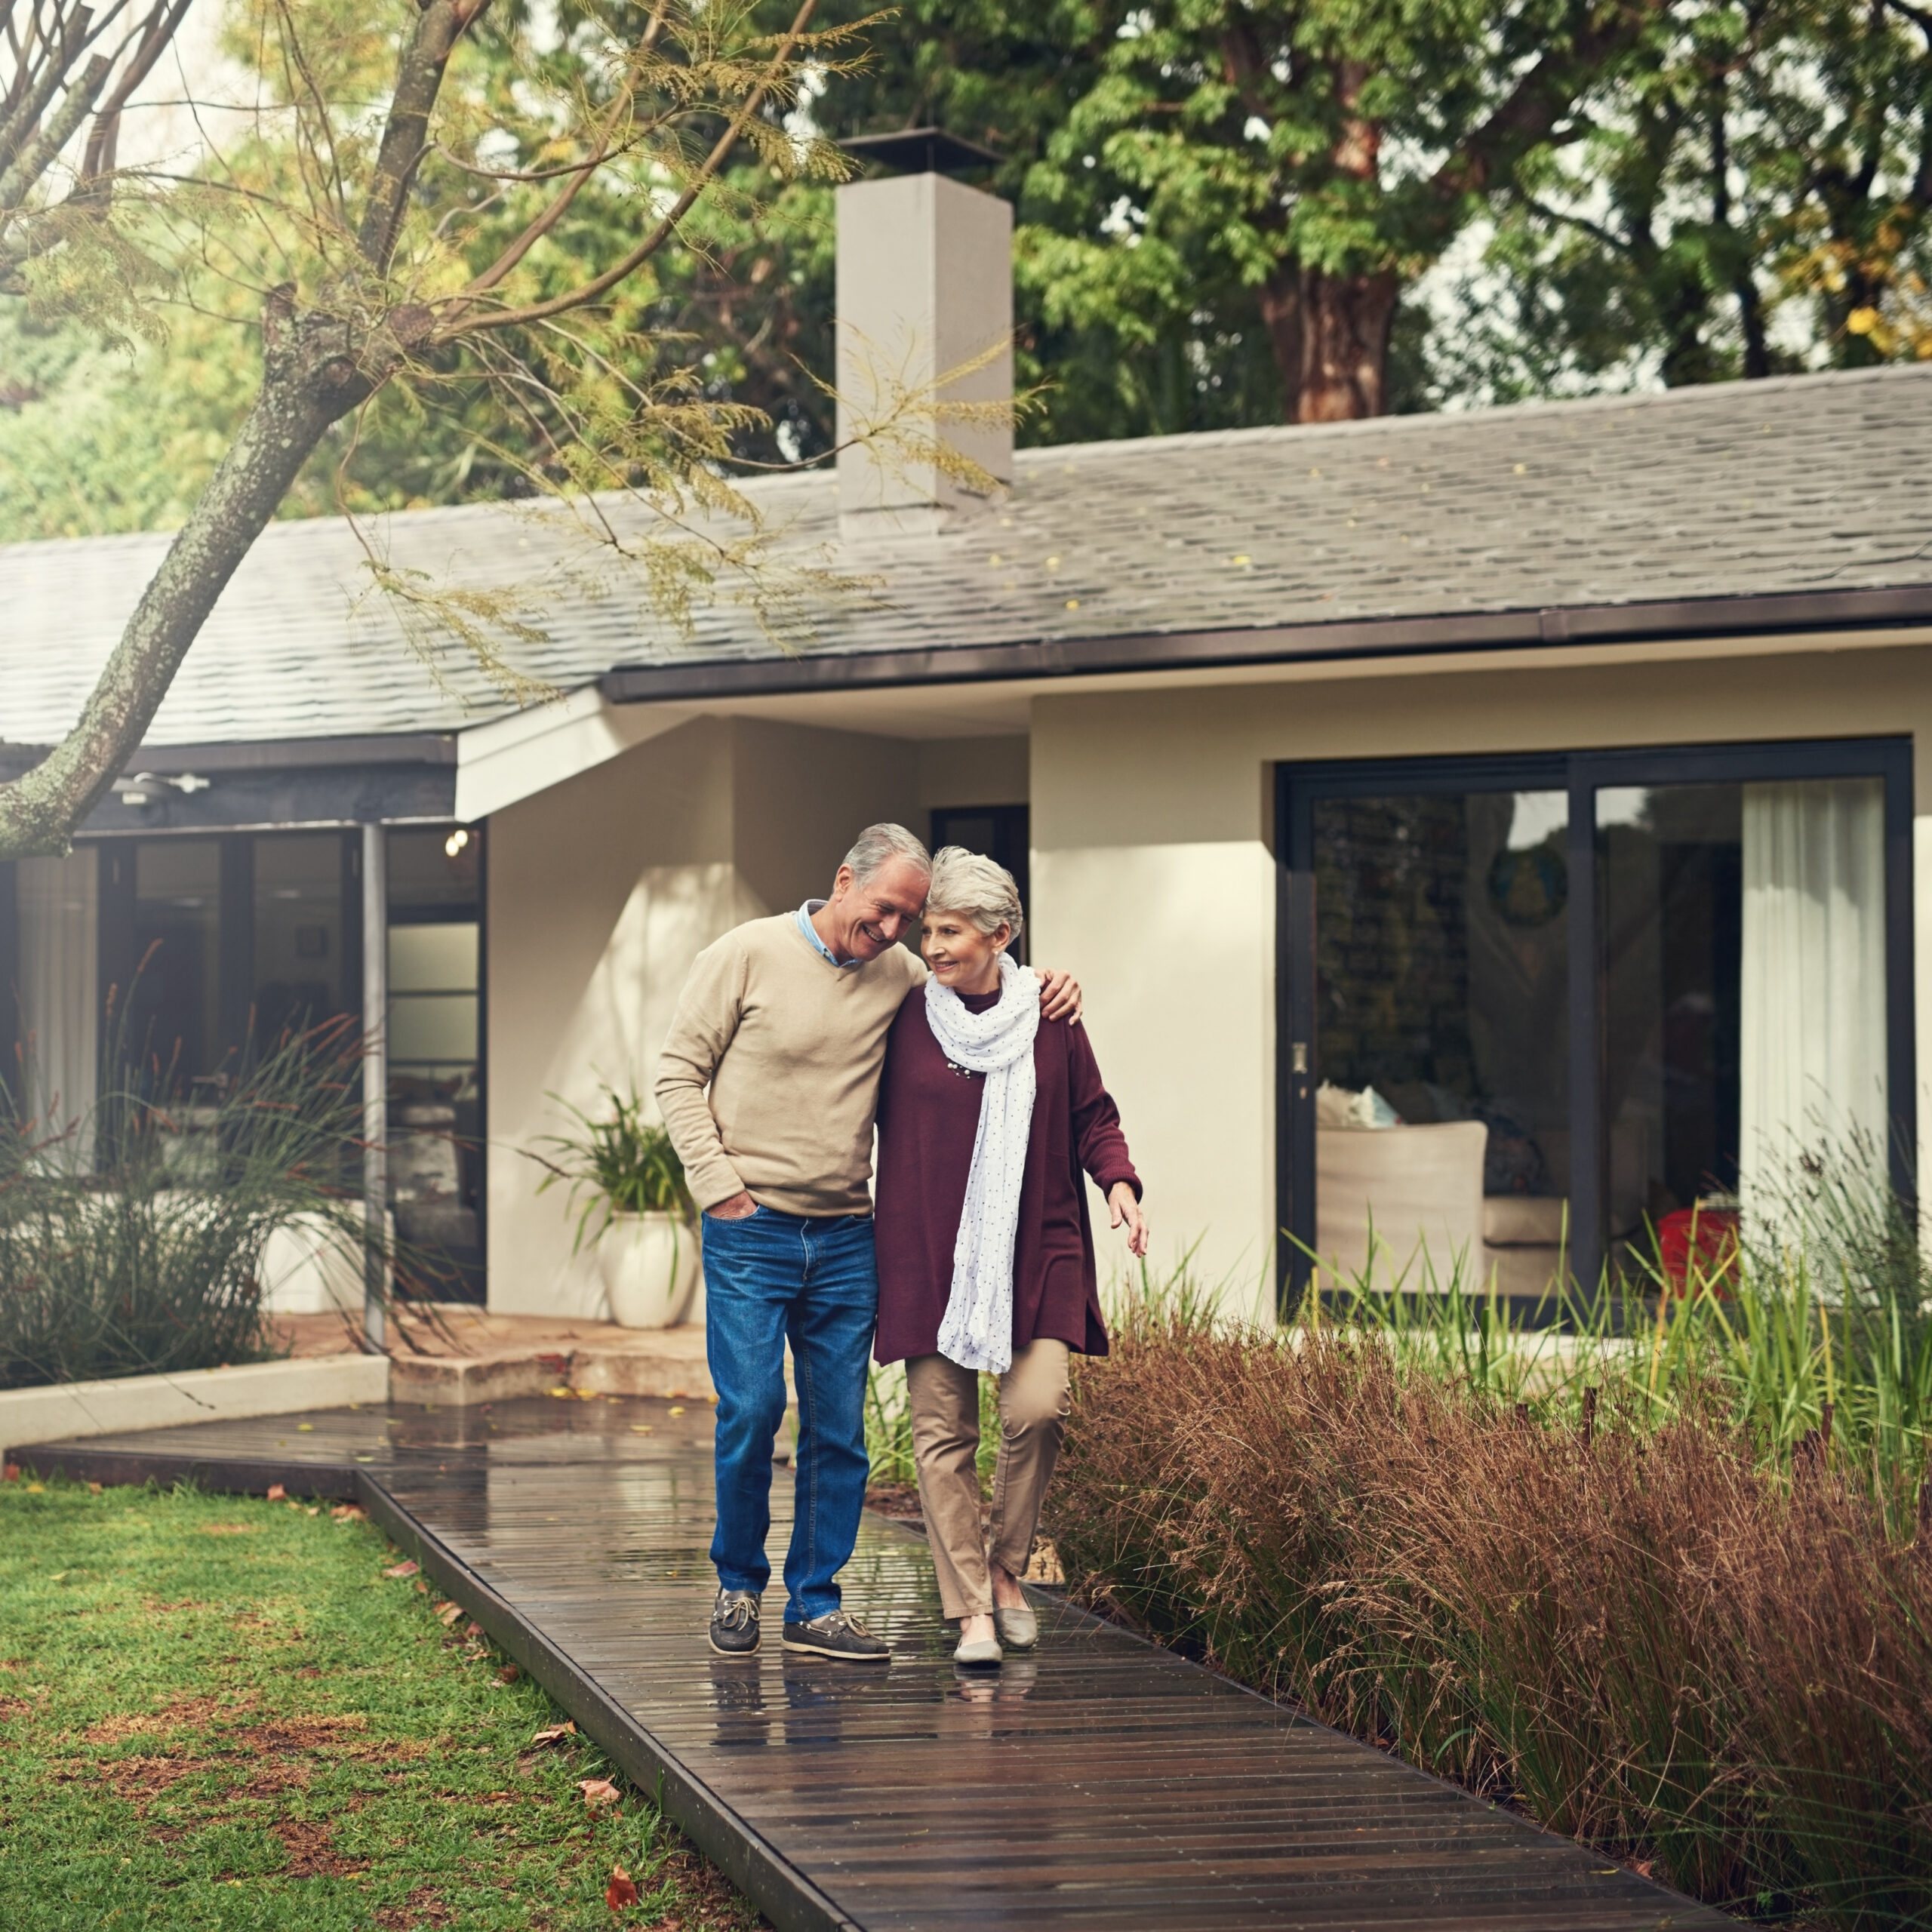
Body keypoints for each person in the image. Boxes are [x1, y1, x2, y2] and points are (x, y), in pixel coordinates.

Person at [654, 824, 1081, 1663]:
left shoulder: (902, 975)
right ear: (842, 879)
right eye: (886, 910)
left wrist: (1051, 984)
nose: (896, 933)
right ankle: (740, 1583)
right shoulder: (745, 953)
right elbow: (678, 1071)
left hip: (849, 1235)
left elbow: (985, 982)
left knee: (839, 1430)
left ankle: (814, 1603)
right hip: (752, 1229)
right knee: (751, 1411)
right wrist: (720, 1187)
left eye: (912, 919)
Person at [872, 847, 1147, 1667]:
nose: (933, 947)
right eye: (929, 930)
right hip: (928, 1251)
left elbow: (1093, 1114)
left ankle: (1003, 1568)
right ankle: (972, 1614)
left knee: (1037, 1409)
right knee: (941, 1434)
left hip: (1039, 1247)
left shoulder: (1052, 1017)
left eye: (950, 931)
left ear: (1000, 934)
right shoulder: (906, 1013)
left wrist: (1120, 1184)